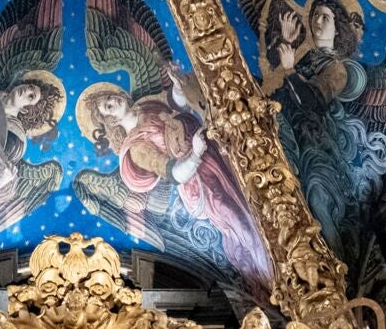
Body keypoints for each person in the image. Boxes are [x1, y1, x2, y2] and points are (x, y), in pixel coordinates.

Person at [76, 83, 272, 287]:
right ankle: (265, 274)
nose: (113, 100)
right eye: (108, 106)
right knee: (240, 222)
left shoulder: (145, 106)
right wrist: (195, 153)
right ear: (112, 121)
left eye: (109, 97)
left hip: (215, 156)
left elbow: (174, 102)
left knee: (254, 199)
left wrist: (178, 85)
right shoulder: (136, 148)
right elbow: (174, 174)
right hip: (200, 184)